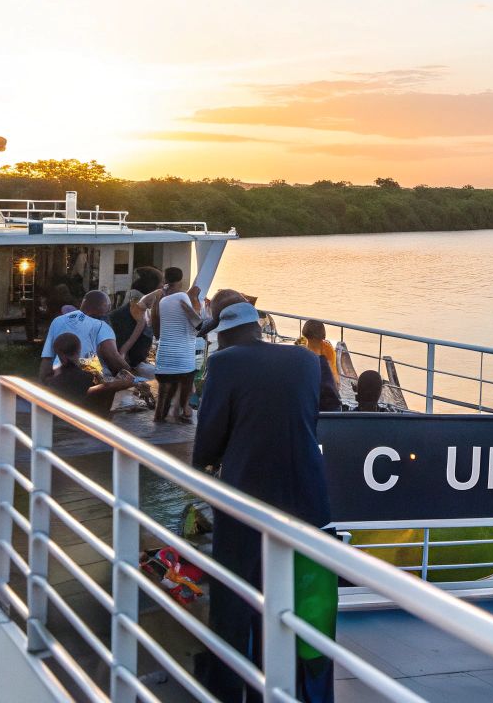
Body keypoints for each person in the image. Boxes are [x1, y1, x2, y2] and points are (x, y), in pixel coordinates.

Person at [191, 302, 338, 702]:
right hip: (309, 496)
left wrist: (201, 465)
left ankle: (232, 686)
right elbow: (322, 410)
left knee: (238, 596)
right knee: (309, 600)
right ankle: (309, 690)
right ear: (257, 329)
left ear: (223, 334)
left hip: (249, 497)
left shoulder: (224, 364)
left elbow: (209, 438)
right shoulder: (307, 359)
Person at [37, 290, 128, 384]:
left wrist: (42, 383)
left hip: (58, 377)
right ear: (101, 308)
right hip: (88, 379)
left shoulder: (58, 322)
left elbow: (47, 358)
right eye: (107, 309)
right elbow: (113, 356)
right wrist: (132, 376)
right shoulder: (101, 325)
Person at [151, 279, 203, 423]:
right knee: (183, 397)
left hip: (164, 361)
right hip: (184, 363)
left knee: (163, 396)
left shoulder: (161, 302)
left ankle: (160, 416)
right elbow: (200, 326)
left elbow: (156, 331)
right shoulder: (186, 305)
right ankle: (183, 412)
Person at [45, 332, 136, 415]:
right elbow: (104, 388)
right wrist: (123, 383)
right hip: (85, 418)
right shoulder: (84, 377)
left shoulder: (52, 379)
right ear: (79, 350)